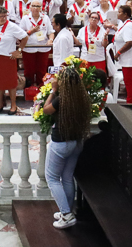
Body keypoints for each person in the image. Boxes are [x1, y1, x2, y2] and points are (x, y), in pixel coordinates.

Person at [42, 66, 92, 229]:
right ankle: (67, 211)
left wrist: (53, 91)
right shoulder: (83, 98)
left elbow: (46, 110)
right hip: (76, 142)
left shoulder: (61, 99)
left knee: (52, 178)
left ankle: (66, 215)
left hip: (61, 143)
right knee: (67, 177)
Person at [0, 7, 28, 114]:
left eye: (5, 16)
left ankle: (13, 105)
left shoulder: (12, 26)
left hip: (8, 58)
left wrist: (19, 51)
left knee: (11, 83)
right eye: (1, 16)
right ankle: (0, 104)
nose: (3, 18)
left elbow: (25, 37)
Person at [113, 4, 132, 104]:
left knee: (131, 83)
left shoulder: (128, 26)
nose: (117, 14)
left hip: (130, 58)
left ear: (125, 14)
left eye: (119, 12)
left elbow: (129, 42)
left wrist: (118, 53)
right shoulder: (125, 24)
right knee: (130, 82)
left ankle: (131, 104)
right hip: (129, 57)